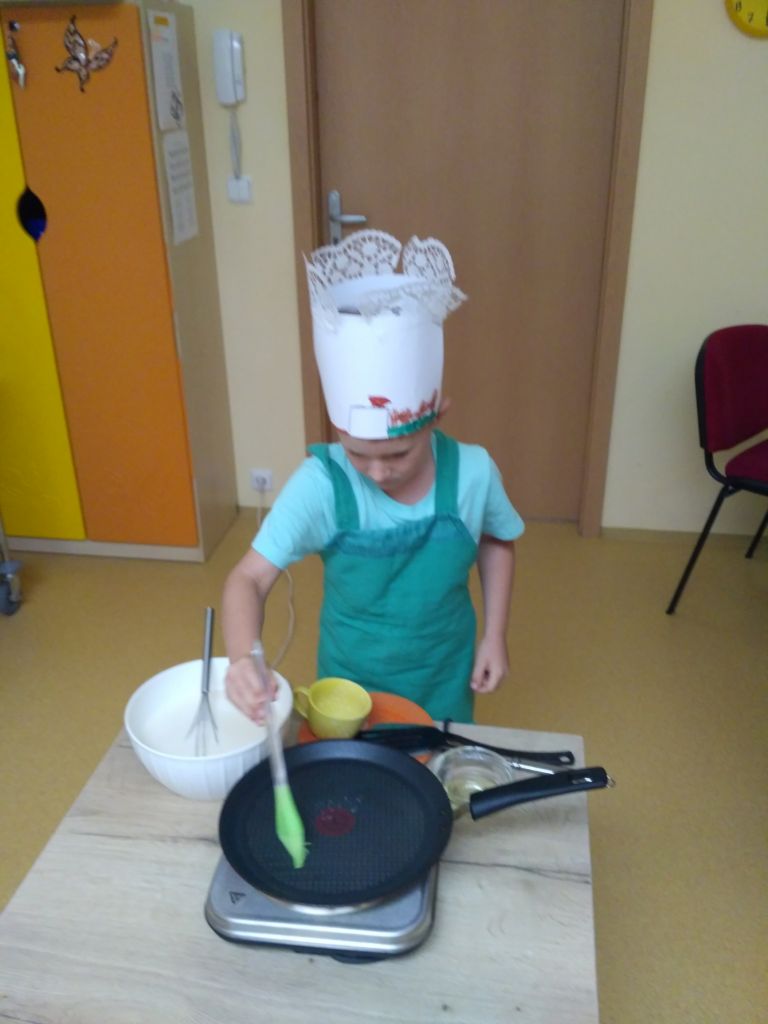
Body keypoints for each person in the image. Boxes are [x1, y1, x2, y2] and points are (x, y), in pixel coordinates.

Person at [222, 230, 524, 725]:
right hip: (348, 692)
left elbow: (495, 540)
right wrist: (241, 658)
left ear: (436, 416)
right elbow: (248, 578)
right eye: (358, 454)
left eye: (399, 454)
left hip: (441, 678)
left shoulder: (473, 473)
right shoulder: (322, 486)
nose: (378, 472)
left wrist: (494, 635)